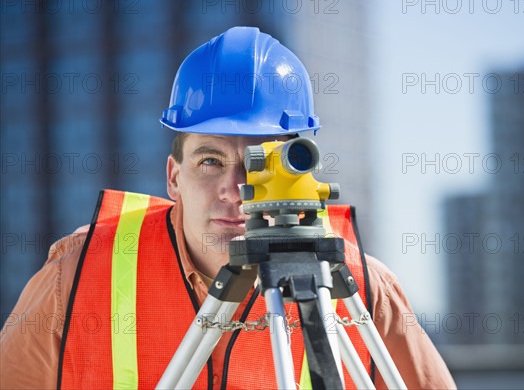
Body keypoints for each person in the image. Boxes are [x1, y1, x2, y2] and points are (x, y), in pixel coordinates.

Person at [0, 27, 456, 390]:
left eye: (258, 164)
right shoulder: (78, 275)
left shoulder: (365, 290)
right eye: (209, 161)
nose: (235, 189)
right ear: (173, 176)